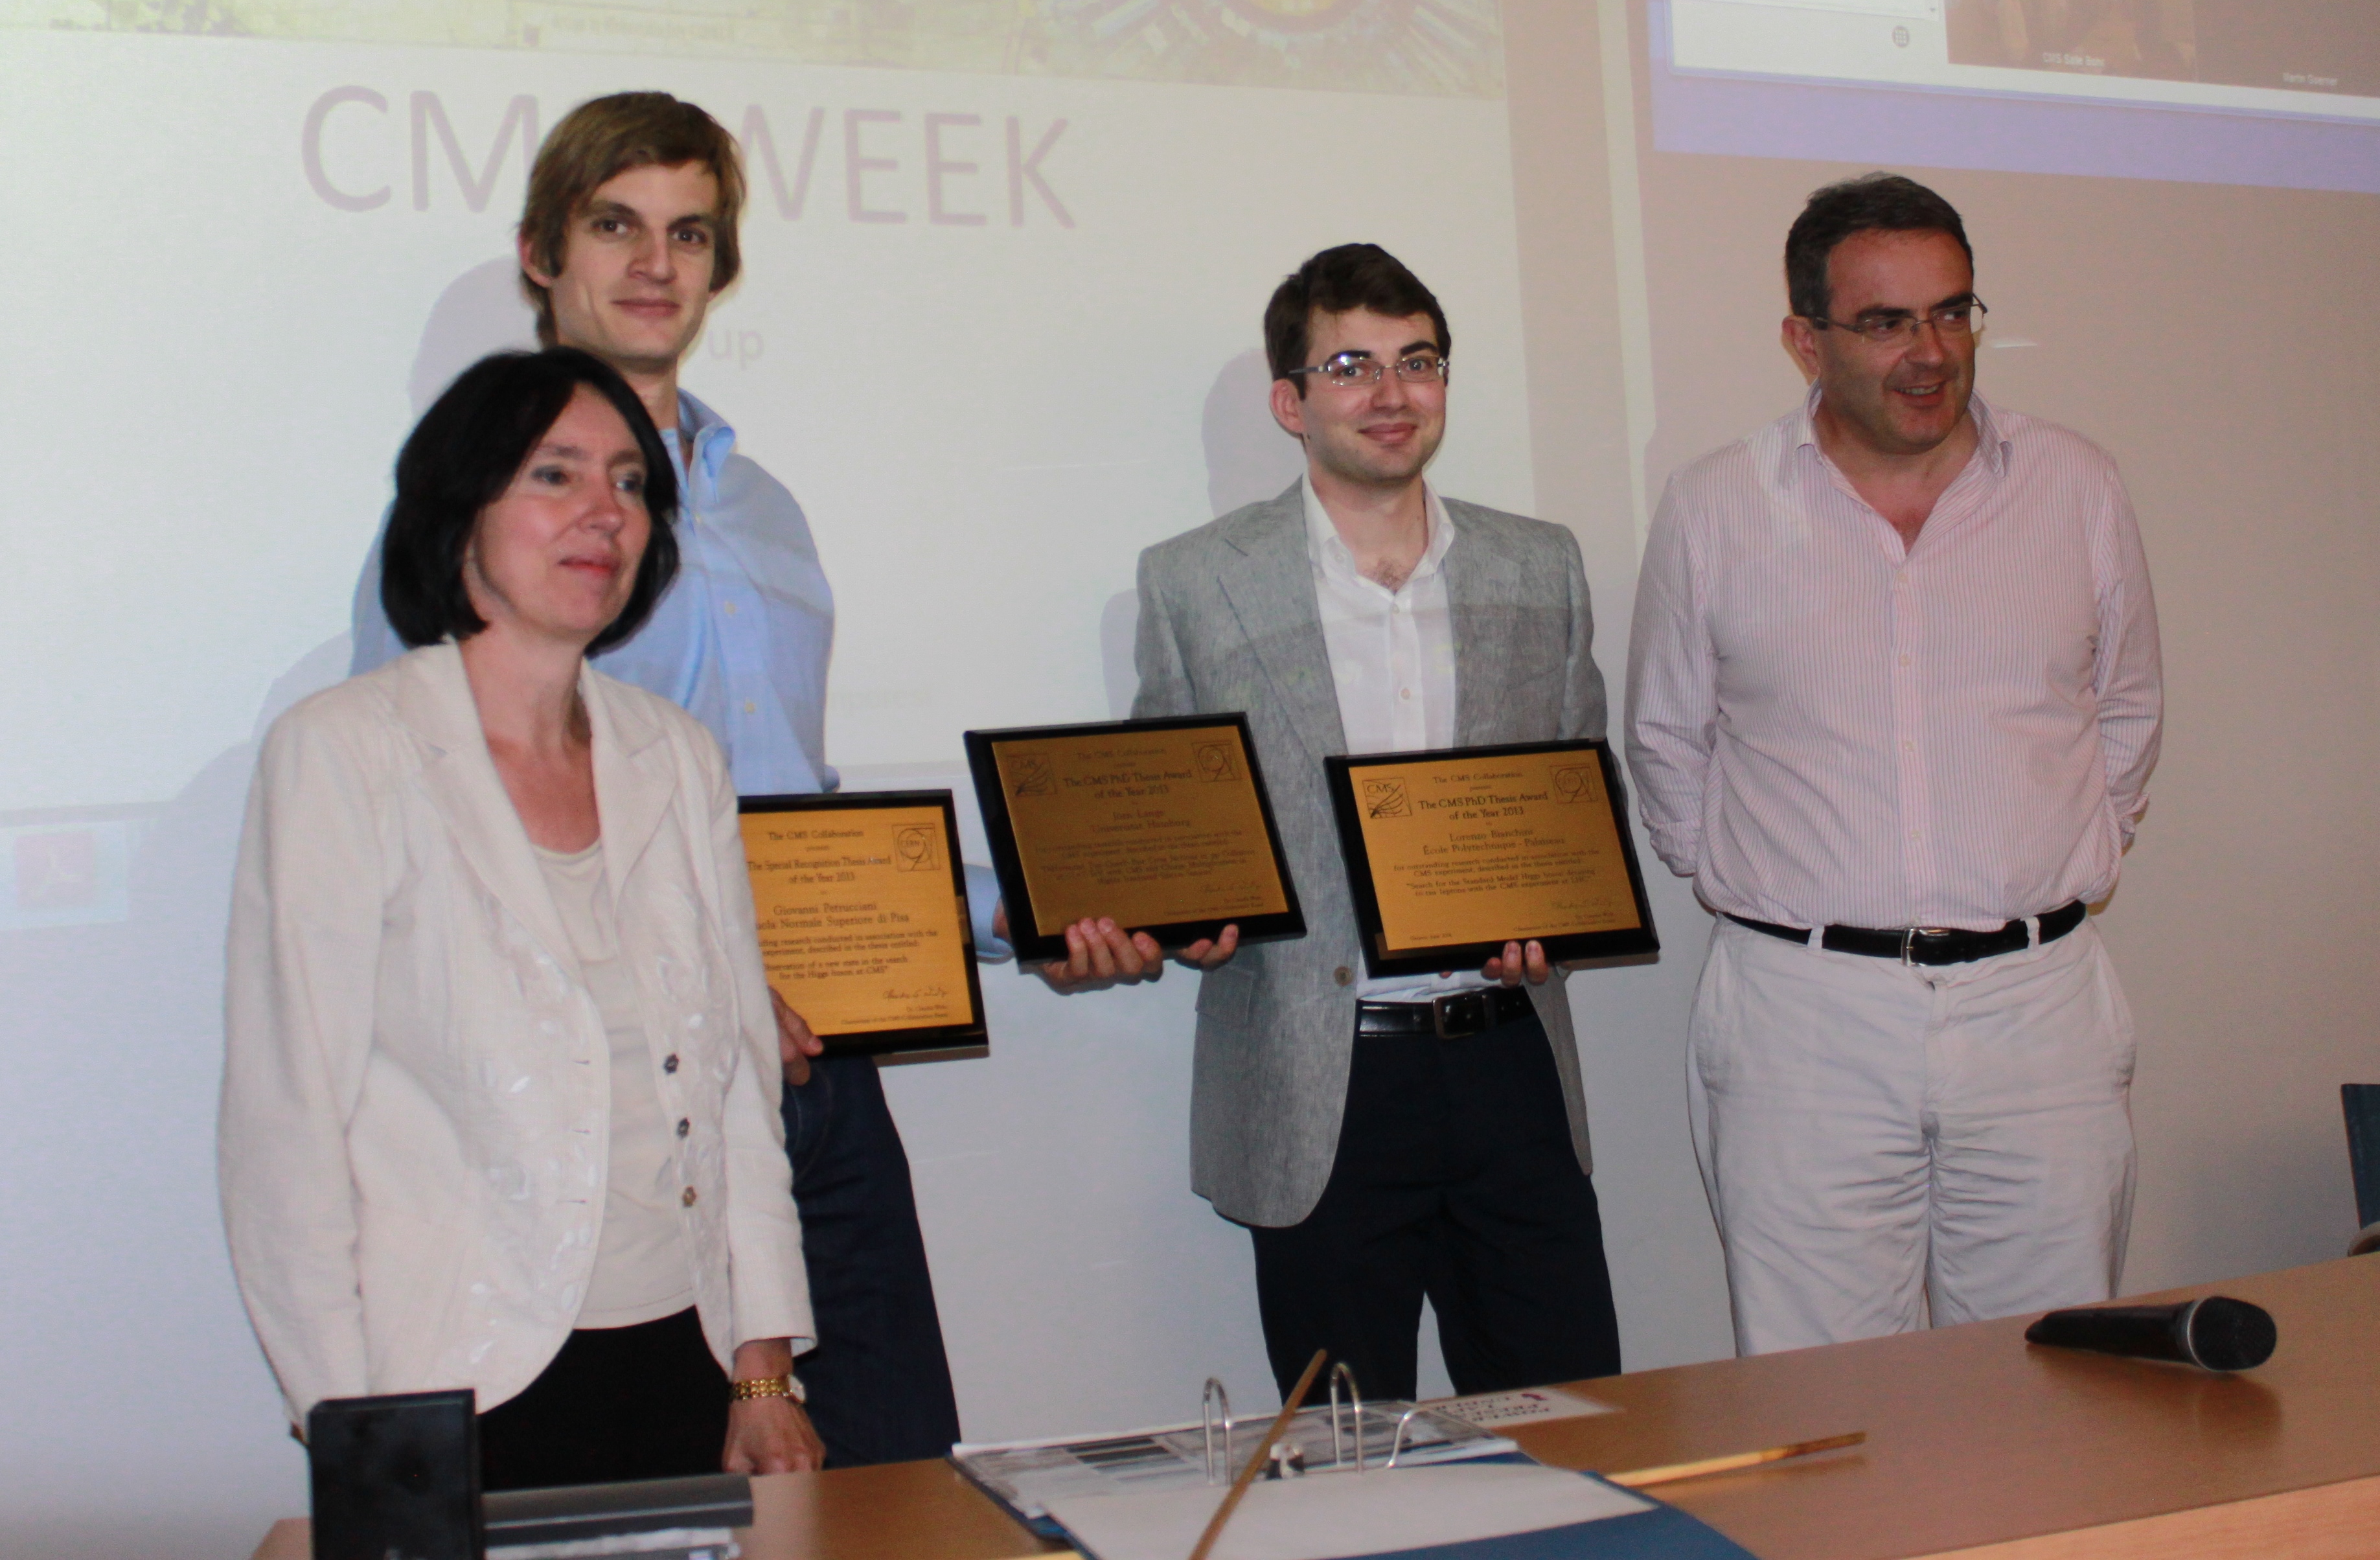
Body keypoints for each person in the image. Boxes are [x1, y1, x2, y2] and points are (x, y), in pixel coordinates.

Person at [347, 93, 1057, 1464]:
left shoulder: (763, 507)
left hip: (826, 1080)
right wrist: (708, 990)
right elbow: (431, 821)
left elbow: (802, 811)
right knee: (678, 1494)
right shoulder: (473, 516)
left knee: (896, 1483)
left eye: (689, 231)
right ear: (542, 254)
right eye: (615, 224)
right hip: (625, 1104)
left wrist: (1025, 909)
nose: (655, 262)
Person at [222, 348, 819, 1487]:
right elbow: (285, 1128)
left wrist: (763, 1375)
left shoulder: (675, 756)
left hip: (688, 1363)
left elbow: (739, 1086)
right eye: (555, 475)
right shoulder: (345, 753)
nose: (605, 511)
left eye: (630, 483)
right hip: (453, 1383)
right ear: (460, 517)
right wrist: (353, 1428)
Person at [1625, 174, 2161, 1356]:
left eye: (1951, 312)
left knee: (2055, 1380)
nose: (1929, 353)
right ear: (1802, 341)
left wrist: (2066, 852)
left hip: (2040, 1010)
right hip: (1801, 1015)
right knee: (1826, 1405)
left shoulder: (2074, 487)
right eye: (1885, 323)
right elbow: (1665, 738)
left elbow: (2125, 714)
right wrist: (1759, 882)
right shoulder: (1716, 506)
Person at [1116, 242, 1622, 1403]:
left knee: (1574, 1434)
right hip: (1316, 1078)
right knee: (1347, 1461)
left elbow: (1582, 791)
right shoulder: (1194, 580)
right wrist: (1178, 912)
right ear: (1289, 402)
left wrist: (1562, 909)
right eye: (1351, 366)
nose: (1391, 395)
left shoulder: (1538, 565)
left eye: (1417, 361)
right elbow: (1173, 814)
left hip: (1509, 1064)